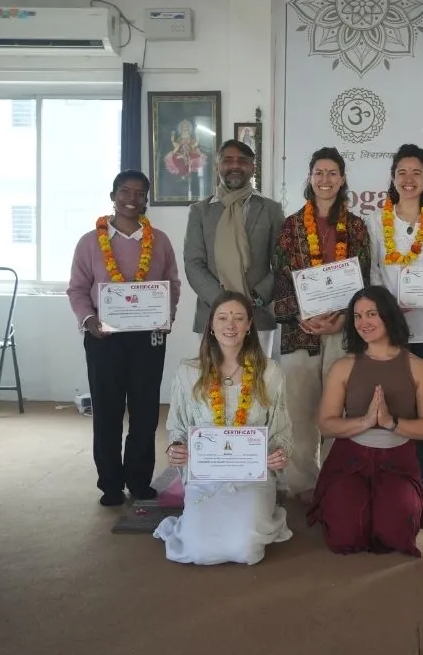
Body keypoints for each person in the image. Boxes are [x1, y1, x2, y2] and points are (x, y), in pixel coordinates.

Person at [67, 170, 181, 506]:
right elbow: (76, 289)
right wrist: (89, 321)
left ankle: (140, 480)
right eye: (125, 192)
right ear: (113, 195)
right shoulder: (90, 241)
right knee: (107, 411)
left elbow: (172, 284)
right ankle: (111, 485)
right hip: (104, 339)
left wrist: (166, 317)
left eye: (140, 193)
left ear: (146, 199)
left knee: (145, 412)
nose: (132, 199)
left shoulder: (159, 241)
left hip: (149, 338)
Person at [154, 291, 293, 565]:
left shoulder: (270, 372)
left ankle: (262, 511)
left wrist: (279, 452)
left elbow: (281, 430)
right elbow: (179, 429)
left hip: (253, 475)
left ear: (249, 325)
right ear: (211, 325)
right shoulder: (188, 372)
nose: (230, 325)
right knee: (196, 551)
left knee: (246, 549)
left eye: (238, 318)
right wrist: (177, 449)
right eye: (223, 318)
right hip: (205, 475)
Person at [307, 286, 423, 557]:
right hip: (350, 458)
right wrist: (366, 422)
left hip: (398, 459)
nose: (363, 323)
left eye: (371, 314)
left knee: (394, 535)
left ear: (389, 316)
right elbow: (326, 425)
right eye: (357, 316)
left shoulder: (419, 367)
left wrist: (391, 422)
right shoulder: (343, 366)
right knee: (345, 536)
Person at [273, 147, 370, 504]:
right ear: (310, 177)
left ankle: (336, 479)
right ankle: (302, 484)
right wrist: (302, 315)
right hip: (299, 333)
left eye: (333, 173)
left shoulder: (357, 228)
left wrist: (345, 320)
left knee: (341, 410)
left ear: (342, 179)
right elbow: (280, 281)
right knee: (298, 410)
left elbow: (366, 282)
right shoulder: (290, 226)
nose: (325, 179)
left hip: (343, 334)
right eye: (319, 172)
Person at [367, 143, 423, 498]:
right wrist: (388, 305)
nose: (408, 179)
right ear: (392, 178)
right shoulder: (376, 221)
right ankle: (392, 467)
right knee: (391, 400)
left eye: (416, 173)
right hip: (390, 330)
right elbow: (373, 270)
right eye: (402, 172)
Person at [184, 139, 283, 355]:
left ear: (252, 168)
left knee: (257, 383)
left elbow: (281, 262)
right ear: (218, 166)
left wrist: (257, 297)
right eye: (228, 160)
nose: (235, 166)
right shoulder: (200, 212)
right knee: (213, 384)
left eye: (243, 161)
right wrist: (222, 303)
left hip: (258, 314)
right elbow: (193, 263)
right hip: (212, 315)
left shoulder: (271, 210)